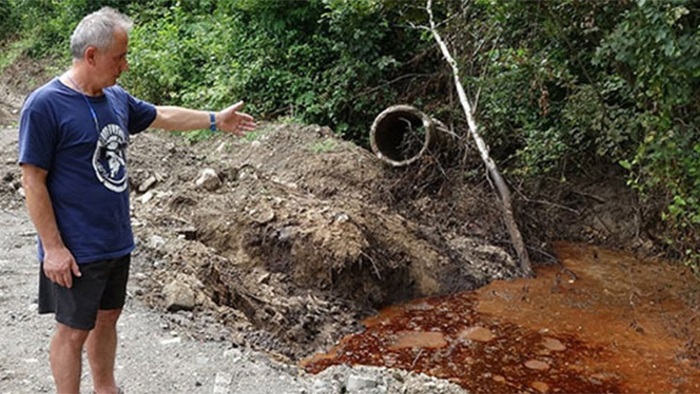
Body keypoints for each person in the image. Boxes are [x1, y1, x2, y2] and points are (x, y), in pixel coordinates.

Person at [18, 7, 256, 394]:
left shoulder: (114, 98)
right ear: (92, 55)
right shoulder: (45, 104)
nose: (125, 66)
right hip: (76, 247)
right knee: (73, 330)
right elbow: (32, 181)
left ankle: (105, 388)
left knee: (108, 316)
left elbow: (161, 114)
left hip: (115, 239)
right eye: (120, 57)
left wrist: (215, 119)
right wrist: (53, 248)